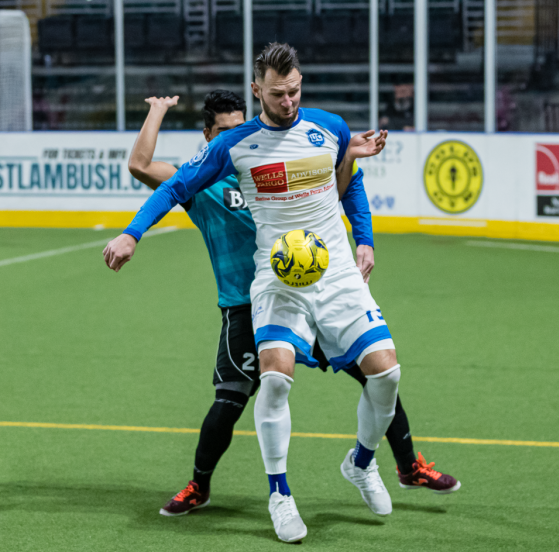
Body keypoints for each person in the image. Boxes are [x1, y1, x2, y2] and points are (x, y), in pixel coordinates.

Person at [103, 43, 444, 543]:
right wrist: (132, 233)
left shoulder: (330, 127)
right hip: (275, 281)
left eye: (296, 90)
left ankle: (364, 463)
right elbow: (172, 187)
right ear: (257, 89)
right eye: (279, 93)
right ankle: (280, 495)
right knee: (275, 381)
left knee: (387, 373)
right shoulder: (234, 144)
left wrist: (365, 239)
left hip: (336, 275)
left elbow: (348, 184)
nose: (289, 101)